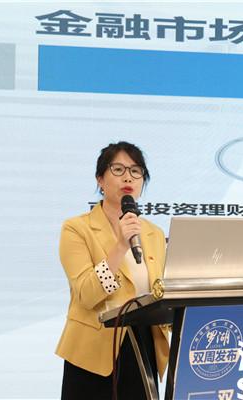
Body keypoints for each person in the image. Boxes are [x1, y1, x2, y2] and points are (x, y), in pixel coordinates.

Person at [56, 142, 169, 400]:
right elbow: (87, 294)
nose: (128, 177)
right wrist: (120, 246)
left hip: (143, 346)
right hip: (92, 354)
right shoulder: (76, 229)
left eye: (136, 171)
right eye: (118, 169)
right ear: (100, 179)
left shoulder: (153, 233)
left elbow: (159, 292)